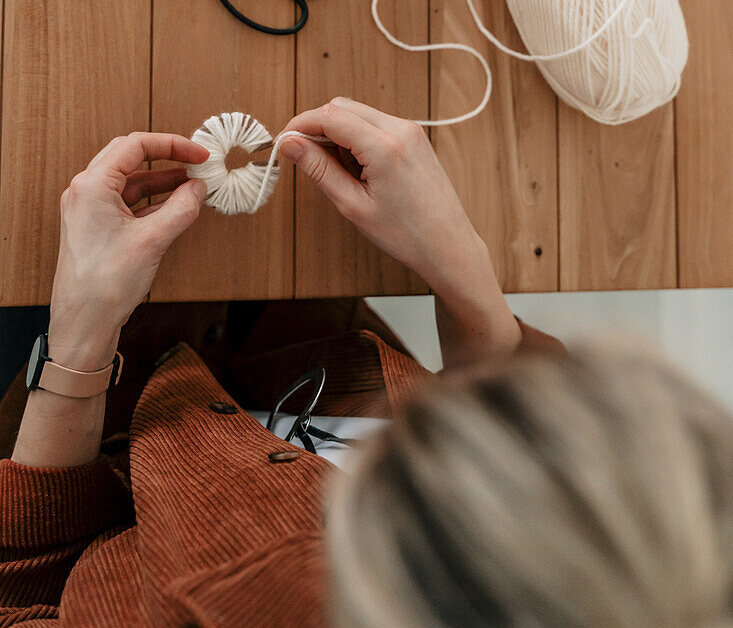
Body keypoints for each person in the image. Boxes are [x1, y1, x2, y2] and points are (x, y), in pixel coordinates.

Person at [1, 98, 730, 626]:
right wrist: (463, 274)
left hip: (81, 423)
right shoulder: (659, 553)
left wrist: (79, 339)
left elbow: (22, 593)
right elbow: (542, 432)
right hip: (296, 335)